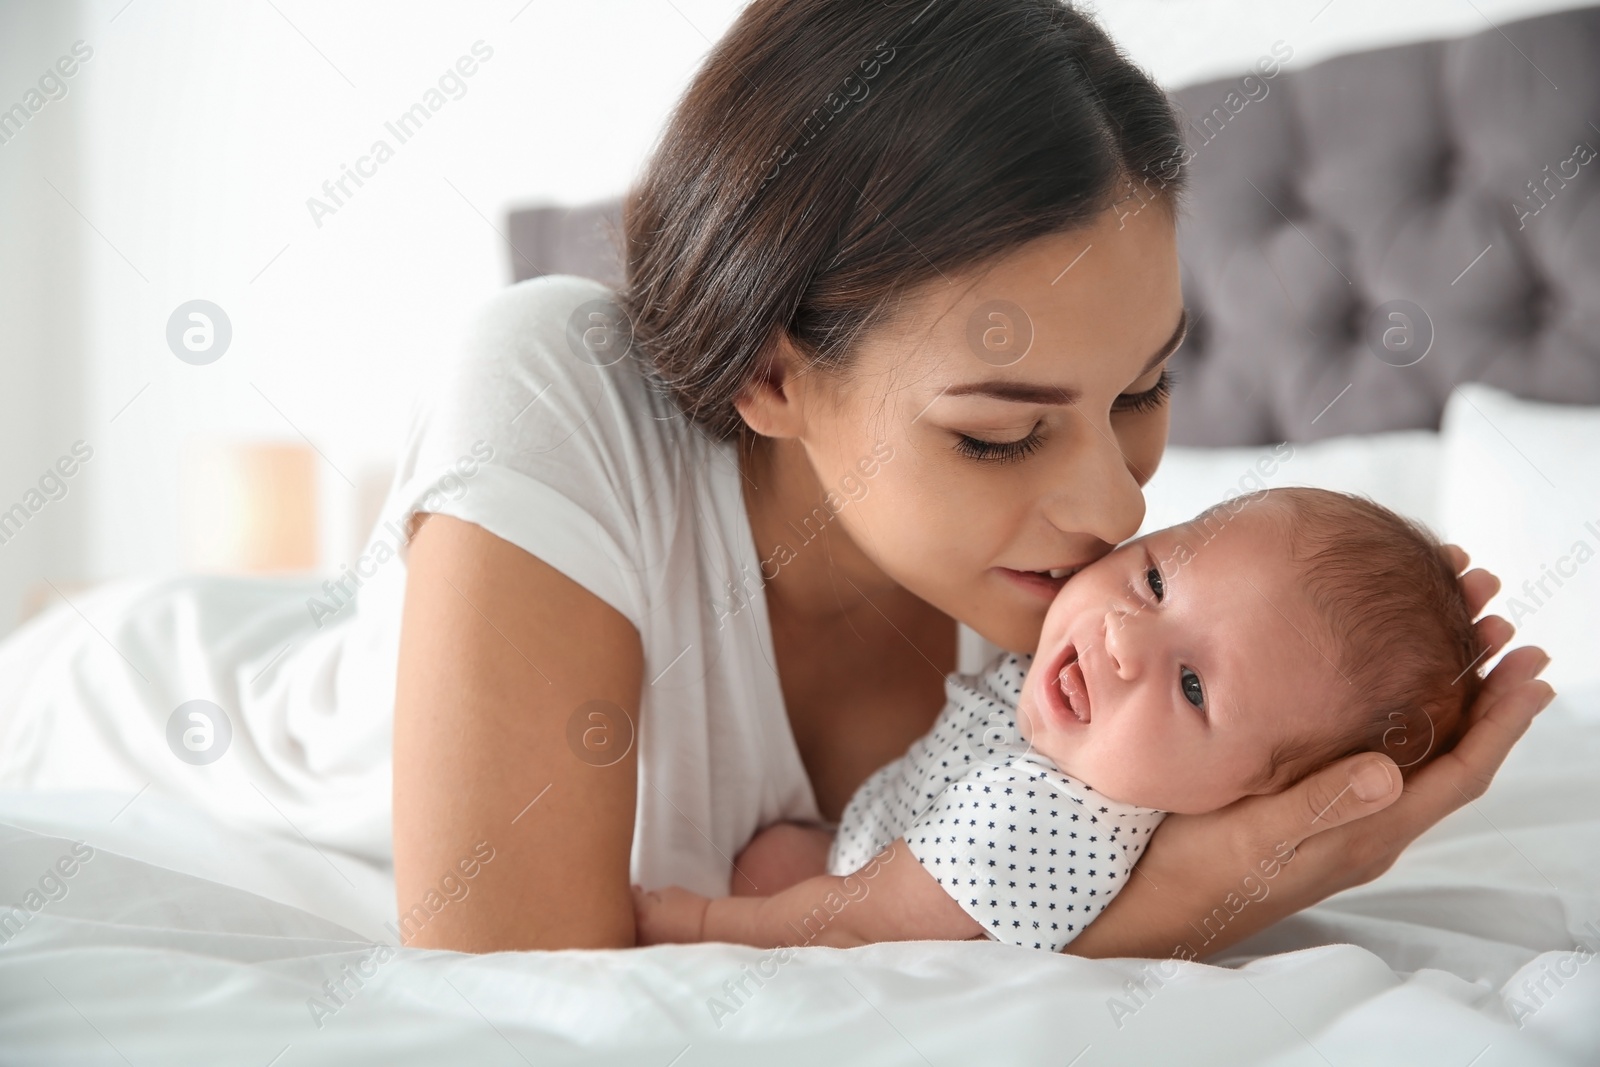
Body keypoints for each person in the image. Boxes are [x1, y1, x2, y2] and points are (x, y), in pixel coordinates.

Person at [387, 0, 1554, 953]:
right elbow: (499, 994)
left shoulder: (1108, 661)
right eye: (997, 434)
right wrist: (1171, 914)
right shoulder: (551, 380)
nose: (1116, 511)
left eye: (1143, 392)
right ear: (771, 370)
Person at [629, 488, 1486, 953]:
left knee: (766, 873)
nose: (1121, 638)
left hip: (868, 905)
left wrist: (702, 927)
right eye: (1155, 580)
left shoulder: (1054, 819)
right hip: (868, 847)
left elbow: (864, 918)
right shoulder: (1082, 721)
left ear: (1238, 799)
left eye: (1192, 688)